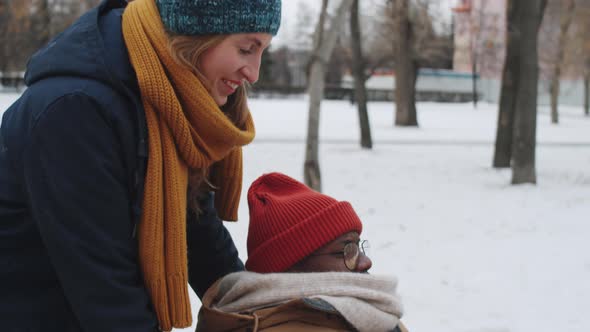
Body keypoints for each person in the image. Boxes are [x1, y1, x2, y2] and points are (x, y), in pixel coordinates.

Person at [0, 0, 280, 330]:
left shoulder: (170, 102)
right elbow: (105, 290)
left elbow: (199, 232)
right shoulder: (75, 111)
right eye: (247, 48)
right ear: (195, 33)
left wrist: (264, 317)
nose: (254, 73)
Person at [196, 172, 408, 332]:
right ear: (291, 265)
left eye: (359, 247)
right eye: (347, 250)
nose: (365, 262)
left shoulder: (371, 314)